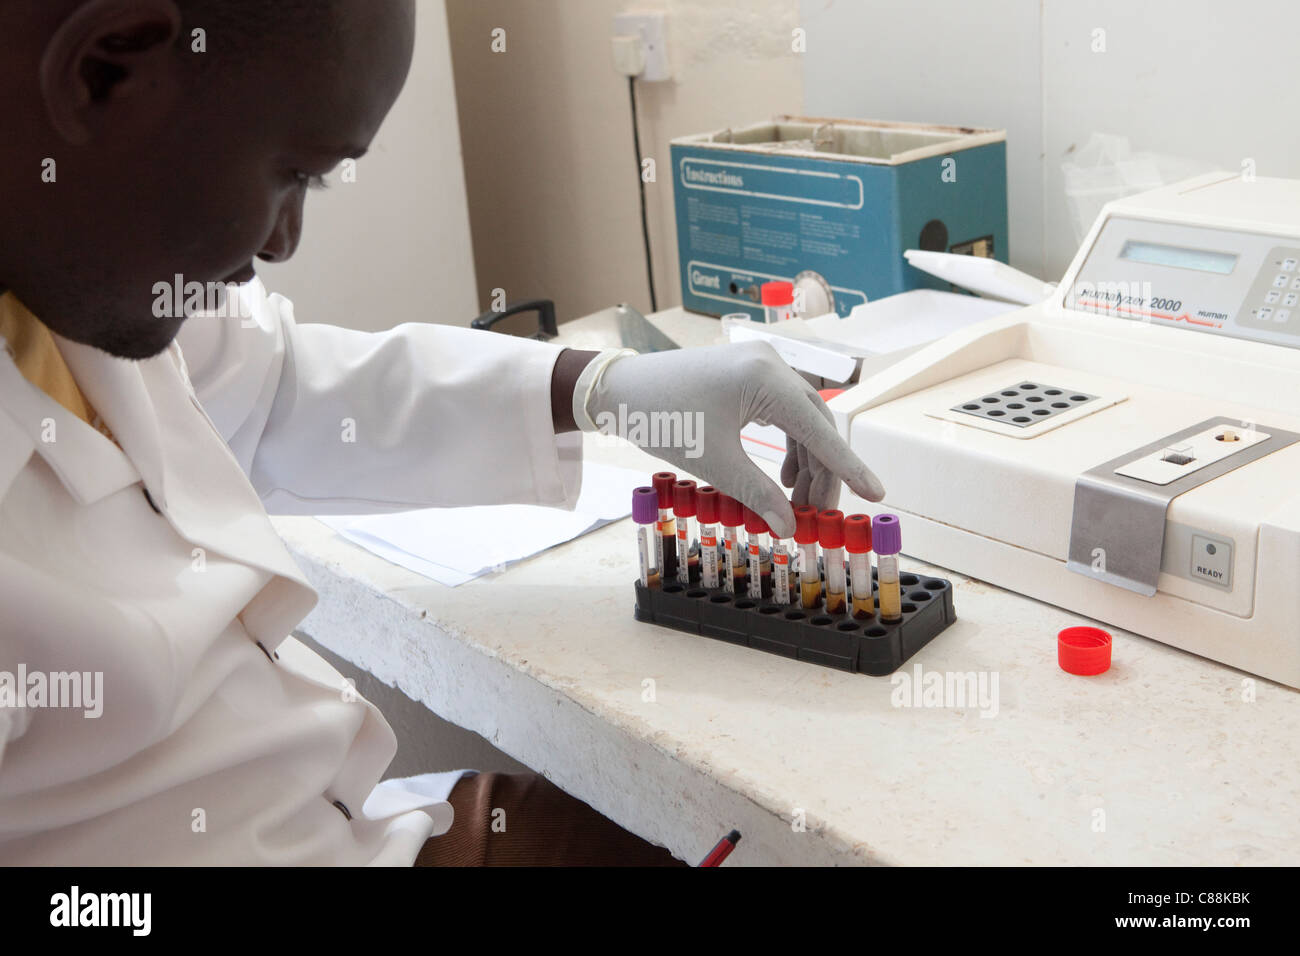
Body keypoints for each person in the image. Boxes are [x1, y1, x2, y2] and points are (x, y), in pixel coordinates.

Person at [0, 0, 883, 865]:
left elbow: (274, 388)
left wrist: (603, 385)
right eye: (293, 172)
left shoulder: (80, 277)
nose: (283, 241)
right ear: (104, 65)